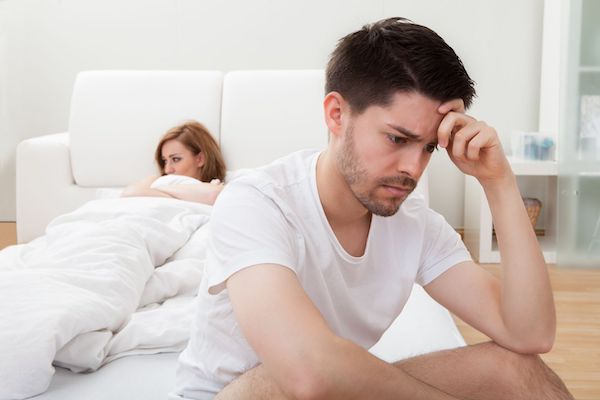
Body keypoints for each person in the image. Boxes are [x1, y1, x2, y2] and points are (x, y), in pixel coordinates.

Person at [172, 18, 573, 400]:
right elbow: (307, 372)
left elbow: (530, 334)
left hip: (328, 389)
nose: (413, 169)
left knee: (517, 372)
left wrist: (498, 181)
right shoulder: (257, 203)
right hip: (248, 392)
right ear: (336, 114)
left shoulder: (416, 225)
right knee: (294, 376)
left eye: (429, 147)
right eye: (398, 139)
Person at [122, 121, 226, 205]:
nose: (167, 170)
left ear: (200, 159)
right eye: (165, 161)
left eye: (176, 159)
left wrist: (155, 191)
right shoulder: (157, 180)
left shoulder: (221, 187)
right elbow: (128, 193)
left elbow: (213, 194)